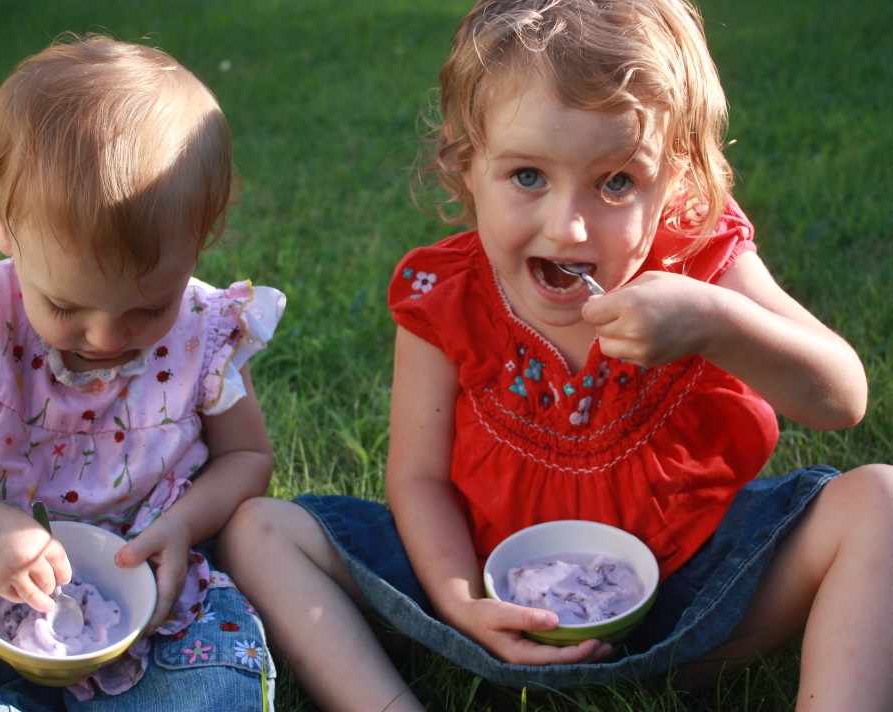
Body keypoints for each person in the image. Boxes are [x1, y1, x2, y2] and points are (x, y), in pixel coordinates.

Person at [217, 0, 893, 710]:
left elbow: (843, 399)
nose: (568, 228)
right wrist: (460, 601)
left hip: (697, 597)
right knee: (260, 530)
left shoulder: (701, 265)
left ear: (678, 183)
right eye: (528, 176)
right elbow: (417, 479)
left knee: (879, 499)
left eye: (616, 182)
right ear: (467, 163)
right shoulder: (444, 300)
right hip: (489, 594)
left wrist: (718, 324)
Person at [0, 34, 284, 711]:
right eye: (65, 304)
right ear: (1, 222)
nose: (107, 338)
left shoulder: (207, 329)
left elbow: (248, 455)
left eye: (148, 306)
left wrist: (186, 525)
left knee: (213, 668)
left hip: (154, 584)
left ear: (204, 235)